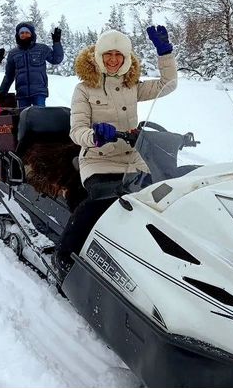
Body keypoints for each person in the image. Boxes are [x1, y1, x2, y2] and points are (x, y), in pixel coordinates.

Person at [53, 25, 177, 277]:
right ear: (98, 56)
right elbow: (76, 130)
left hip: (132, 158)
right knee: (100, 201)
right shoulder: (84, 88)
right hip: (98, 159)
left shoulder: (132, 85)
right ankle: (64, 253)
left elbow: (168, 84)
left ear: (126, 58)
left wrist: (165, 53)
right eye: (107, 54)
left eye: (118, 55)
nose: (112, 60)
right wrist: (95, 136)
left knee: (161, 198)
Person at [0, 21, 63, 108]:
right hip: (22, 94)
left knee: (40, 118)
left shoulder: (42, 49)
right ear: (18, 35)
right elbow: (9, 75)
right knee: (24, 120)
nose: (24, 35)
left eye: (27, 32)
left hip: (39, 93)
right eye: (22, 33)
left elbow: (56, 59)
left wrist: (57, 42)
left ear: (32, 34)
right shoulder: (13, 53)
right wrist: (2, 92)